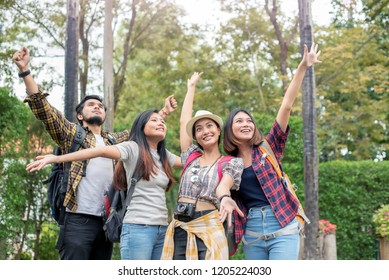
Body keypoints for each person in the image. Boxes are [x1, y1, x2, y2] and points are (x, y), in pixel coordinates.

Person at [13, 46, 177, 260]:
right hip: (77, 219)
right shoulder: (72, 135)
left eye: (100, 105)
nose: (97, 107)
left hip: (106, 221)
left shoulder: (114, 140)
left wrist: (162, 113)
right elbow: (45, 110)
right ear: (80, 115)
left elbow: (142, 128)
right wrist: (25, 72)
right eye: (91, 105)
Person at [26, 109, 182, 260]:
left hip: (162, 229)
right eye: (154, 120)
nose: (161, 123)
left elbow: (192, 161)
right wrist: (57, 159)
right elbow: (98, 151)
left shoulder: (164, 155)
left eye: (162, 121)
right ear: (141, 127)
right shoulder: (132, 148)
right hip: (138, 228)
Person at [222, 43, 322, 260]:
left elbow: (286, 105)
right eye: (239, 121)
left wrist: (303, 67)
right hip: (253, 231)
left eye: (249, 120)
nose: (246, 123)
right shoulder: (228, 163)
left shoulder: (268, 148)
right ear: (230, 129)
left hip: (283, 225)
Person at [161, 72, 244, 260]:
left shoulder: (231, 162)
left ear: (218, 130)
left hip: (209, 226)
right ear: (195, 136)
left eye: (209, 126)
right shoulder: (190, 156)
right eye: (199, 129)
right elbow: (184, 122)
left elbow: (225, 185)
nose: (205, 131)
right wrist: (191, 88)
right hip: (180, 226)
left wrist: (224, 197)